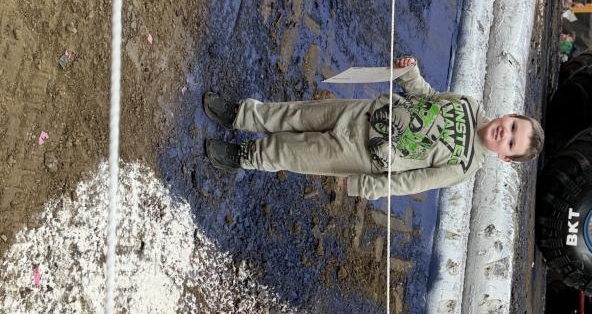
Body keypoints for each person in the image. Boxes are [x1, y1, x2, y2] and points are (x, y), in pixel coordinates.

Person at [203, 56, 544, 200]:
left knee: (297, 152)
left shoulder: (464, 166)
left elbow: (414, 182)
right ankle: (241, 116)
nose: (506, 134)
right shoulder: (469, 104)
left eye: (511, 143)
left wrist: (369, 187)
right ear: (510, 115)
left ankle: (246, 155)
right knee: (296, 114)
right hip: (366, 113)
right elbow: (428, 98)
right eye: (513, 126)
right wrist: (410, 74)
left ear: (505, 157)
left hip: (364, 154)